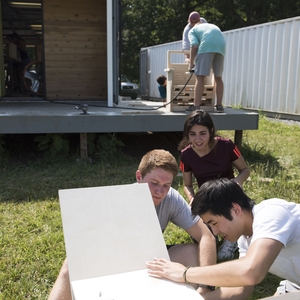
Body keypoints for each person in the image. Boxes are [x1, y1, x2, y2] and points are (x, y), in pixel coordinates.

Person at [48, 149, 216, 299]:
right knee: (71, 265)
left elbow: (205, 236)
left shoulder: (171, 198)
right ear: (138, 177)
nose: (160, 191)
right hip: (111, 261)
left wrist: (206, 286)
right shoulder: (116, 200)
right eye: (154, 183)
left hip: (149, 260)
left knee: (192, 252)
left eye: (166, 185)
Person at [146, 178, 300, 299]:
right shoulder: (244, 241)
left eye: (214, 223)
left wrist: (186, 274)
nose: (214, 231)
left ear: (235, 209)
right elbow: (241, 290)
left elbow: (251, 272)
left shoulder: (272, 212)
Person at [178, 110, 250, 260]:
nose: (198, 139)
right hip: (207, 197)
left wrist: (237, 182)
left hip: (228, 194)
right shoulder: (186, 155)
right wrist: (191, 198)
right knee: (202, 234)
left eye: (202, 133)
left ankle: (232, 241)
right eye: (192, 134)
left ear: (211, 131)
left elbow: (245, 170)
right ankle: (214, 233)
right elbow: (187, 185)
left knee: (234, 214)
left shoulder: (226, 145)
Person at [186, 21, 226, 113]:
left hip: (207, 46)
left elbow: (194, 46)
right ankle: (219, 106)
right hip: (221, 47)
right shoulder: (212, 25)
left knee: (200, 77)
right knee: (218, 77)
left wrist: (191, 63)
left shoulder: (193, 30)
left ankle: (196, 106)